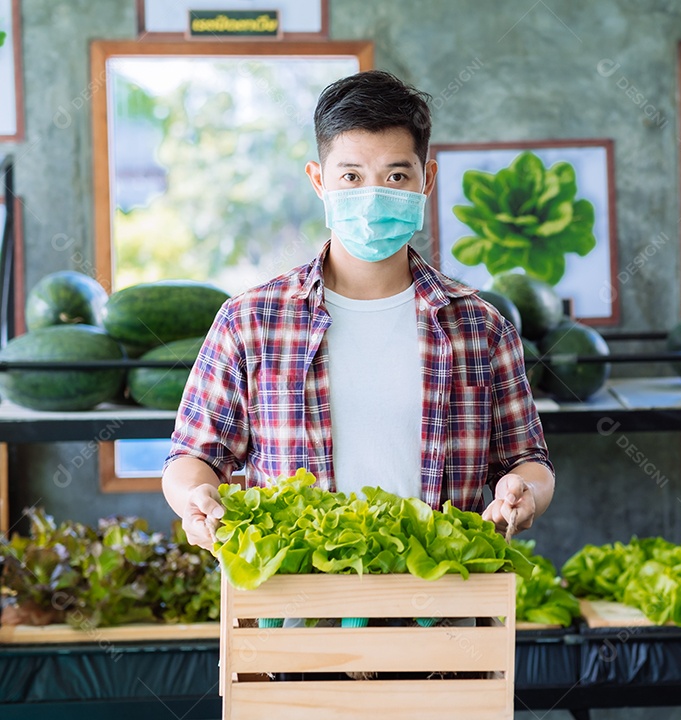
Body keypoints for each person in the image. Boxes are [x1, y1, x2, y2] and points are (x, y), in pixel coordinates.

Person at [162, 70, 555, 551]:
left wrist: (525, 492)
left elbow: (529, 460)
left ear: (425, 180)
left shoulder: (481, 326)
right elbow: (193, 456)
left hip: (445, 598)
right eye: (351, 176)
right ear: (318, 180)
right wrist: (193, 496)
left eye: (395, 176)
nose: (372, 196)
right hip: (297, 600)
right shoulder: (249, 321)